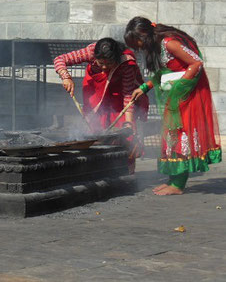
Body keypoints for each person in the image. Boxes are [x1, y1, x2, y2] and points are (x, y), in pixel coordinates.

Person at [125, 16, 222, 195]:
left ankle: (178, 185)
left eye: (137, 43)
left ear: (144, 35)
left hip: (187, 92)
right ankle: (174, 180)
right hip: (177, 94)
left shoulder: (169, 43)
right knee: (172, 135)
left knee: (178, 134)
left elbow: (196, 63)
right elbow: (166, 71)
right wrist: (144, 87)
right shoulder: (157, 46)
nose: (137, 48)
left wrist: (179, 86)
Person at [54, 37, 149, 174]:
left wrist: (128, 123)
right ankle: (97, 169)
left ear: (116, 58)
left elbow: (128, 94)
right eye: (100, 63)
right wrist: (66, 77)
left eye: (109, 64)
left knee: (126, 132)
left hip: (118, 93)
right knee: (94, 128)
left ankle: (127, 171)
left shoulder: (126, 62)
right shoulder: (90, 52)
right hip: (94, 90)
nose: (104, 68)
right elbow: (59, 59)